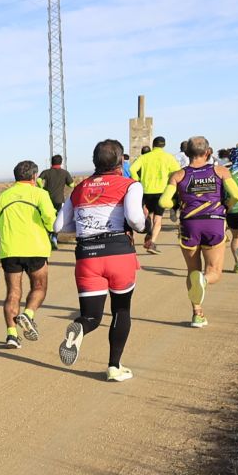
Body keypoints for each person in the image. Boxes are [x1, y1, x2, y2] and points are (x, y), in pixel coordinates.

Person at [54, 139, 145, 382]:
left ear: (94, 161)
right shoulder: (130, 185)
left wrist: (85, 228)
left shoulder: (80, 188)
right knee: (121, 310)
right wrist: (144, 227)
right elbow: (135, 219)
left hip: (87, 256)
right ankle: (114, 367)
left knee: (92, 316)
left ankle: (80, 328)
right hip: (118, 252)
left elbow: (58, 226)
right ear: (121, 160)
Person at [169, 137, 238, 327]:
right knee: (214, 272)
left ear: (186, 153)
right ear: (208, 152)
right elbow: (237, 195)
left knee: (192, 271)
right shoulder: (220, 171)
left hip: (189, 224)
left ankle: (197, 314)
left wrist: (170, 206)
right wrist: (227, 207)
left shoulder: (177, 175)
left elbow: (164, 201)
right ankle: (205, 280)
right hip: (214, 223)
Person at [0, 160, 55, 348]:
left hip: (10, 250)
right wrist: (48, 228)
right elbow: (50, 218)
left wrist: (4, 226)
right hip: (36, 249)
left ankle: (11, 335)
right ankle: (28, 314)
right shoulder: (40, 194)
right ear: (34, 176)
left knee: (13, 293)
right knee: (39, 287)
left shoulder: (3, 196)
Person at [132, 135, 182, 254]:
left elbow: (133, 169)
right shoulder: (169, 157)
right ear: (164, 145)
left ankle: (139, 237)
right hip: (161, 191)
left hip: (145, 191)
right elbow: (177, 172)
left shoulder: (144, 157)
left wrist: (137, 180)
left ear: (153, 145)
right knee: (158, 220)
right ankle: (152, 243)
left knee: (145, 214)